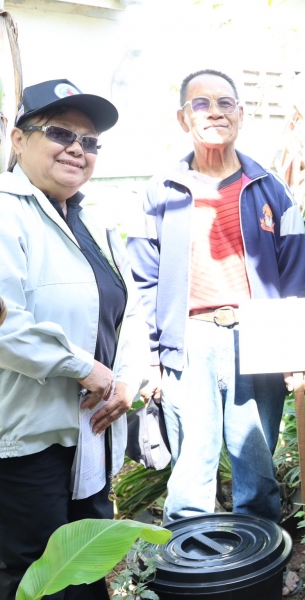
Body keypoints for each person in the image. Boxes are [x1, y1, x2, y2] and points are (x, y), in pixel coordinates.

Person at [126, 69, 305, 597]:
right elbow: (143, 280)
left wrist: (295, 349)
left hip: (259, 338)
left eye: (225, 103)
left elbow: (294, 273)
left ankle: (261, 574)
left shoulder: (269, 188)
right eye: (201, 104)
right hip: (188, 341)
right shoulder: (161, 191)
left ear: (241, 115)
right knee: (192, 467)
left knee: (257, 465)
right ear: (182, 117)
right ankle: (188, 580)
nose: (214, 112)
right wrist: (152, 358)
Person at [0, 79, 149, 600]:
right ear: (18, 139)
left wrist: (126, 380)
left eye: (89, 141)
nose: (77, 149)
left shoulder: (94, 220)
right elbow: (4, 322)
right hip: (28, 439)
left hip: (91, 432)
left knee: (85, 570)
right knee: (35, 577)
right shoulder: (6, 212)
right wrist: (83, 367)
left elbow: (130, 309)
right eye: (60, 133)